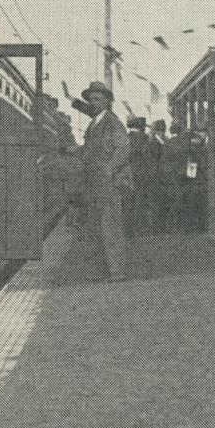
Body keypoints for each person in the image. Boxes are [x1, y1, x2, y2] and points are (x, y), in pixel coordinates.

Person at [79, 81, 131, 282]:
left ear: (107, 101)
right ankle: (106, 270)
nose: (94, 102)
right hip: (95, 182)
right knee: (98, 226)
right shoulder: (95, 123)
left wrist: (109, 169)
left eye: (98, 99)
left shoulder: (112, 122)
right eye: (91, 99)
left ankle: (117, 272)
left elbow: (124, 148)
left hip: (108, 184)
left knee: (110, 227)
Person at [126, 117, 151, 235]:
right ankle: (139, 228)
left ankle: (128, 228)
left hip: (127, 174)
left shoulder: (124, 137)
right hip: (140, 173)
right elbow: (147, 157)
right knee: (139, 200)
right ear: (141, 127)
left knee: (127, 201)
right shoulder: (144, 139)